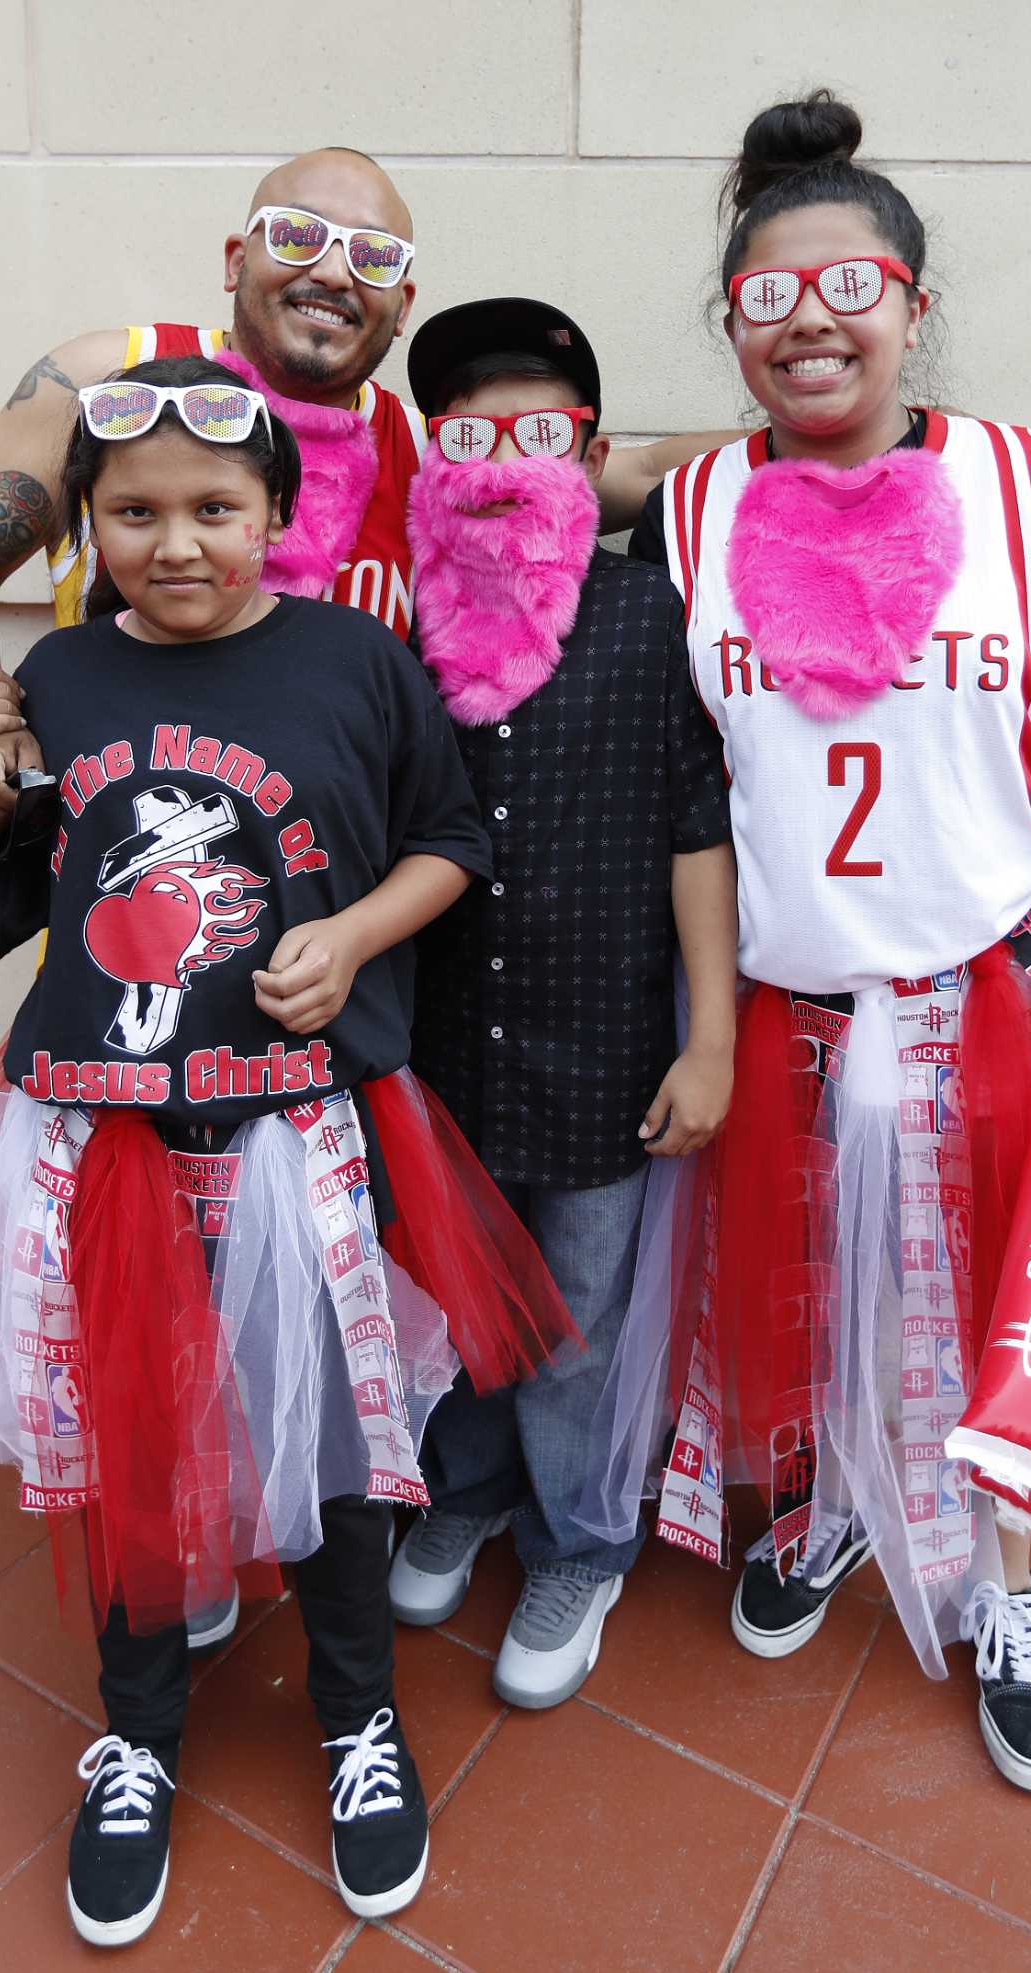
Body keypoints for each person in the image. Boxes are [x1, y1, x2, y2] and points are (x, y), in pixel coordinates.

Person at [0, 356, 573, 1943]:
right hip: (98, 1131)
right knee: (130, 1437)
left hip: (293, 1132)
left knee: (324, 1438)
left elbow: (452, 842)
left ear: (278, 513)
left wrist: (349, 935)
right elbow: (13, 909)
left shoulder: (352, 658)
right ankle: (135, 1731)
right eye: (134, 512)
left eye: (215, 508)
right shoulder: (54, 677)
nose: (175, 541)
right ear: (88, 525)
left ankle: (356, 1717)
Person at [631, 91, 1031, 1795]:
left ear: (915, 301)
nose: (809, 320)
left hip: (985, 988)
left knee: (982, 1308)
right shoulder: (688, 516)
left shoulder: (1024, 487)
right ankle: (827, 1508)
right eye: (766, 297)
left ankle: (1000, 1582)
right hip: (783, 997)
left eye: (852, 284)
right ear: (733, 325)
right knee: (804, 1291)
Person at [0, 148, 734, 847]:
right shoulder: (111, 382)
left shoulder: (425, 448)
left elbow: (636, 470)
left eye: (373, 256)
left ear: (401, 306)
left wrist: (823, 436)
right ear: (236, 258)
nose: (333, 270)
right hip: (135, 865)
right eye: (299, 236)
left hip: (337, 920)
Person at [383, 300, 738, 1705]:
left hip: (602, 1041)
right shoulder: (403, 622)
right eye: (471, 431)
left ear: (586, 454)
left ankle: (580, 1539)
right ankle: (460, 1488)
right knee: (456, 1292)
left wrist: (708, 1036)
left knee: (579, 1312)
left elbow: (694, 827)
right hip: (443, 1043)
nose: (504, 457)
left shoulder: (648, 610)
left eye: (541, 431)